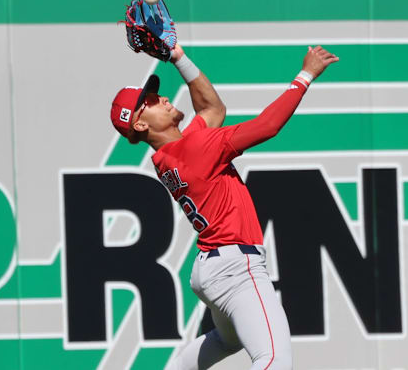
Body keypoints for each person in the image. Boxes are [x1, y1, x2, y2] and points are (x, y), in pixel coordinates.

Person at [109, 44, 339, 370]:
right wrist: (305, 75)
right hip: (235, 267)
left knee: (227, 339)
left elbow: (213, 110)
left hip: (211, 268)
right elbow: (267, 126)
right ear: (142, 126)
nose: (160, 98)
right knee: (273, 358)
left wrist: (179, 57)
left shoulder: (169, 155)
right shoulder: (196, 148)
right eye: (148, 103)